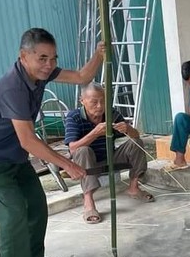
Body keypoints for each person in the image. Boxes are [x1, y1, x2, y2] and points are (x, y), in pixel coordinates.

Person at [0, 28, 103, 257]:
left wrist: (100, 53)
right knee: (14, 211)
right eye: (42, 58)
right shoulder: (13, 88)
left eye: (53, 58)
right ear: (23, 56)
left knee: (37, 203)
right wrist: (68, 163)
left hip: (14, 155)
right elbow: (28, 140)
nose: (49, 65)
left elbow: (81, 76)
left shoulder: (40, 74)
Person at [64, 83, 154, 225]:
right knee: (82, 150)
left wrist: (128, 129)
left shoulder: (111, 114)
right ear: (82, 101)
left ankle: (134, 187)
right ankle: (88, 202)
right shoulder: (74, 117)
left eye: (103, 101)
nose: (100, 106)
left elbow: (136, 135)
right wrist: (95, 133)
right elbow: (73, 149)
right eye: (94, 102)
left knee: (135, 142)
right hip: (88, 162)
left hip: (111, 157)